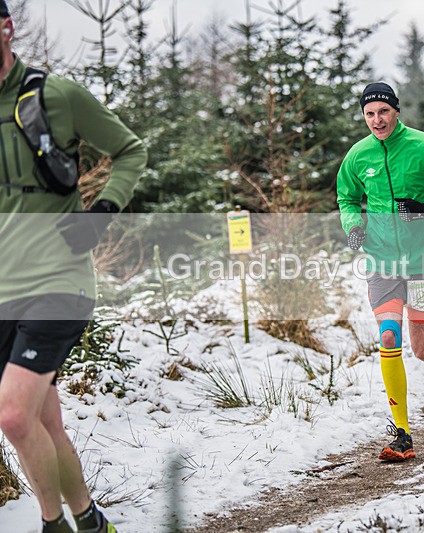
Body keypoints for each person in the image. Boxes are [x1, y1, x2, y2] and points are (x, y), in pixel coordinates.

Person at [0, 3, 147, 532]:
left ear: (6, 27)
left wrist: (102, 214)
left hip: (58, 281)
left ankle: (52, 525)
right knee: (42, 420)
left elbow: (130, 150)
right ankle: (89, 521)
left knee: (14, 416)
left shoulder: (54, 95)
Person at [337, 82, 424, 462]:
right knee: (387, 339)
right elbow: (346, 197)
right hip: (382, 261)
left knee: (420, 348)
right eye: (369, 114)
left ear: (396, 111)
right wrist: (353, 226)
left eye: (383, 111)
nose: (376, 120)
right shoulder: (358, 155)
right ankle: (402, 434)